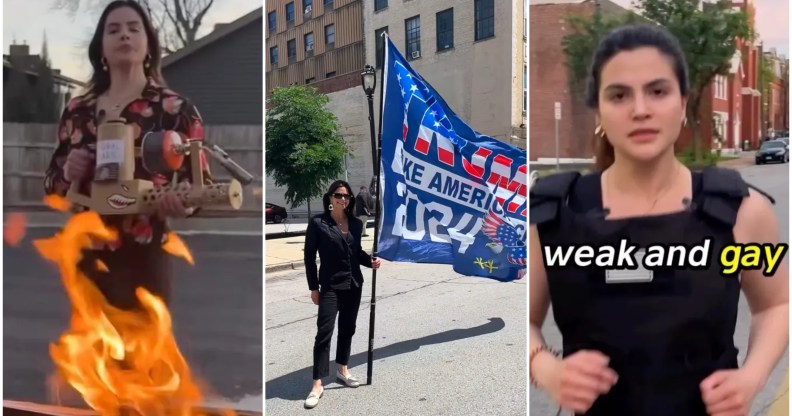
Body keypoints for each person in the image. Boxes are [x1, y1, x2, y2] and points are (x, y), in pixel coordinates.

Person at [529, 24, 788, 416]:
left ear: (683, 103)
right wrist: (545, 366)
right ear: (598, 110)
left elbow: (776, 306)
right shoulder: (552, 217)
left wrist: (751, 377)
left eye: (658, 91)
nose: (641, 109)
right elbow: (522, 321)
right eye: (619, 95)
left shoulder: (740, 213)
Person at [43, 0, 212, 310]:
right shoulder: (77, 110)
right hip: (89, 255)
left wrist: (181, 203)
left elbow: (199, 187)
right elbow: (52, 183)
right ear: (101, 48)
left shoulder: (175, 109)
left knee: (147, 357)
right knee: (89, 356)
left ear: (148, 45)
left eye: (134, 29)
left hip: (146, 260)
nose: (124, 35)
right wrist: (68, 173)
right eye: (114, 29)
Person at [303, 180, 382, 409]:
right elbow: (309, 258)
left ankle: (342, 369)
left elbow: (356, 252)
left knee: (348, 328)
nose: (343, 199)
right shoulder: (318, 223)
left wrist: (371, 261)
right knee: (324, 332)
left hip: (353, 284)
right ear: (330, 198)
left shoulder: (356, 224)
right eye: (338, 195)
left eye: (347, 196)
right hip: (330, 286)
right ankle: (317, 383)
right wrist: (314, 287)